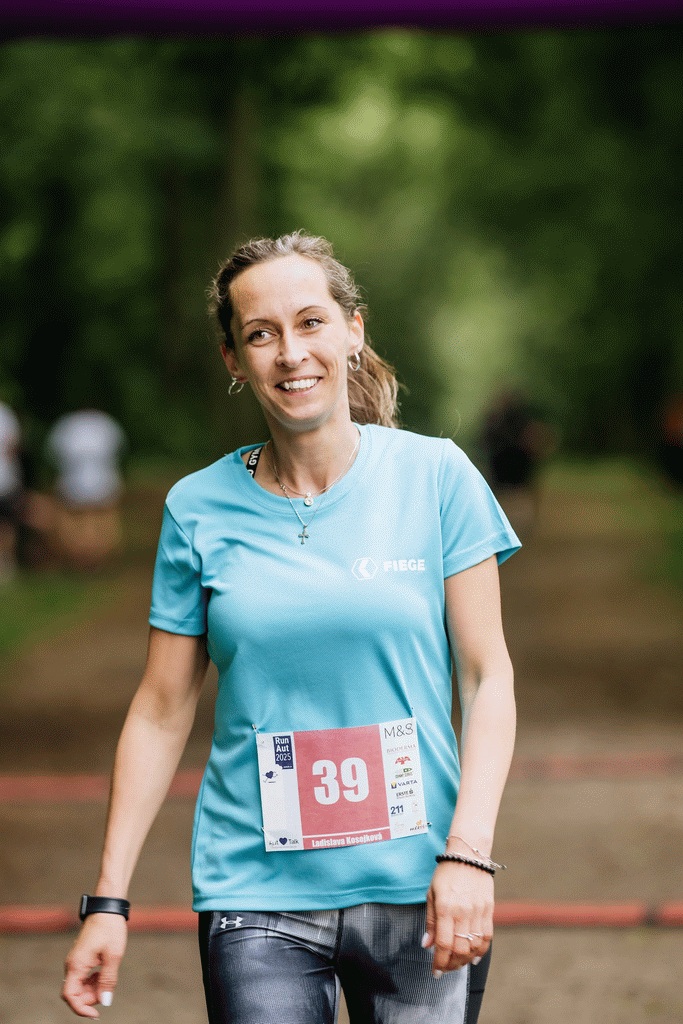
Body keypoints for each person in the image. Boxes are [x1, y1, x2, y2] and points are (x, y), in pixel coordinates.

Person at [62, 231, 520, 1023]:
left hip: (422, 884)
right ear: (234, 360)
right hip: (254, 895)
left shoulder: (437, 475)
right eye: (260, 333)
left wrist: (470, 854)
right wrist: (108, 900)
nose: (290, 352)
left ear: (352, 331)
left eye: (310, 322)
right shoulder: (195, 508)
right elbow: (161, 708)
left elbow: (486, 679)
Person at [44, 408, 126, 571]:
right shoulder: (106, 423)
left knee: (80, 523)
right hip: (97, 482)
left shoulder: (66, 425)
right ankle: (89, 559)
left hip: (78, 483)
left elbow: (53, 455)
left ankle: (88, 559)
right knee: (96, 522)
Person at [0, 399, 23, 583]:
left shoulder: (5, 413)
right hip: (5, 480)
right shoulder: (6, 414)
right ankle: (6, 565)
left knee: (6, 524)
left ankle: (6, 565)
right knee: (6, 525)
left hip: (5, 481)